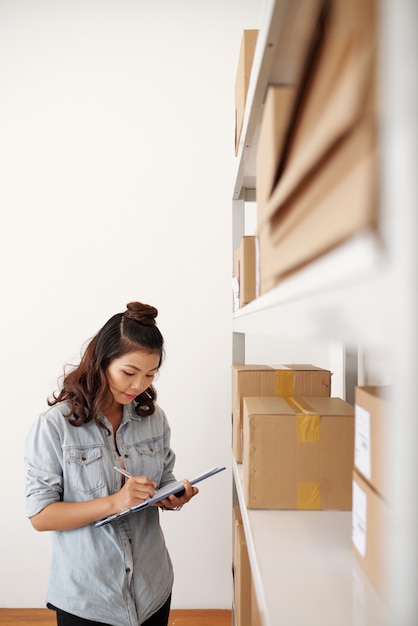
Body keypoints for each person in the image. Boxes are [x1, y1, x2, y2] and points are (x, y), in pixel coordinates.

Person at [24, 301, 199, 626]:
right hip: (88, 597)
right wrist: (115, 502)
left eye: (150, 374)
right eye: (129, 373)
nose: (139, 385)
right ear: (101, 362)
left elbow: (162, 481)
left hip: (152, 587)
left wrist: (171, 496)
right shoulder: (55, 425)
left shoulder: (154, 419)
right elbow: (40, 515)